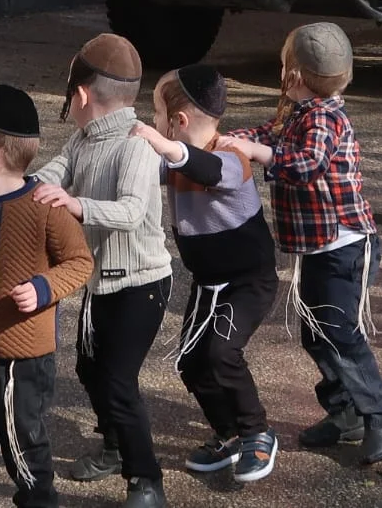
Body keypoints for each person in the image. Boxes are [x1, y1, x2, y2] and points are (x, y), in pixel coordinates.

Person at [222, 24, 382, 465]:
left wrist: (261, 155)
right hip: (319, 247)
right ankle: (345, 413)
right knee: (318, 336)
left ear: (294, 73)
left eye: (284, 65)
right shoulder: (298, 112)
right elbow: (269, 134)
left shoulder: (324, 117)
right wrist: (232, 140)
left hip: (345, 245)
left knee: (341, 336)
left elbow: (308, 163)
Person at [30, 36, 171, 508]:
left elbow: (131, 211)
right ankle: (114, 444)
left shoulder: (136, 145)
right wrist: (19, 188)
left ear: (82, 95)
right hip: (101, 281)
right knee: (90, 369)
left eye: (69, 94)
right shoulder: (84, 138)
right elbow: (57, 170)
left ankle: (146, 480)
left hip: (141, 284)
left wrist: (75, 205)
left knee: (117, 378)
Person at [0, 86, 94, 508]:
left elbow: (80, 262)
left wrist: (43, 288)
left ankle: (39, 500)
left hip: (25, 360)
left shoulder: (46, 207)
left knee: (23, 442)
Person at [132, 67, 280, 485]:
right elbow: (145, 174)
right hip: (207, 282)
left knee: (221, 353)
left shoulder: (230, 156)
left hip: (249, 279)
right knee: (191, 362)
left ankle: (257, 432)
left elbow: (208, 170)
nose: (154, 121)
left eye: (157, 113)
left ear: (178, 122)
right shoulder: (176, 159)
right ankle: (228, 432)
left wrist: (161, 145)